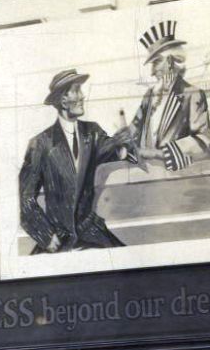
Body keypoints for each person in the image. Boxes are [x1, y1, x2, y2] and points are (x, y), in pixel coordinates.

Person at [18, 70, 132, 253]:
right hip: (58, 237)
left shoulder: (92, 132)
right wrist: (46, 236)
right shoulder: (41, 143)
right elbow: (24, 196)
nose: (82, 96)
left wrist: (122, 142)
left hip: (91, 232)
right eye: (77, 90)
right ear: (63, 100)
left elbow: (114, 152)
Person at [115, 22, 210, 172]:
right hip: (146, 176)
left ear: (169, 62)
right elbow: (133, 132)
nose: (151, 72)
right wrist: (122, 138)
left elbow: (206, 142)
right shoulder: (149, 96)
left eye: (155, 63)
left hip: (177, 178)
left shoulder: (191, 94)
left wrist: (158, 154)